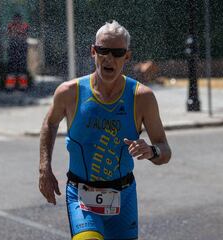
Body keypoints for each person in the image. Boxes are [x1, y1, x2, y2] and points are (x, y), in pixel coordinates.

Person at [39, 20, 172, 240]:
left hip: (124, 196)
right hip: (81, 196)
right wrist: (45, 168)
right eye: (103, 51)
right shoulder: (69, 92)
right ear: (93, 52)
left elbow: (165, 150)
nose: (109, 58)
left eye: (117, 52)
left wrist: (151, 151)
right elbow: (50, 122)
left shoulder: (142, 98)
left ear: (127, 57)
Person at [6, 13, 29, 90]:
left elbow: (24, 36)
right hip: (13, 51)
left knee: (22, 70)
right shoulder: (11, 26)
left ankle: (23, 87)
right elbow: (10, 35)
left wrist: (17, 35)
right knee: (11, 70)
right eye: (15, 19)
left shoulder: (24, 26)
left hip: (22, 50)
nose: (17, 20)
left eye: (18, 19)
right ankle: (10, 87)